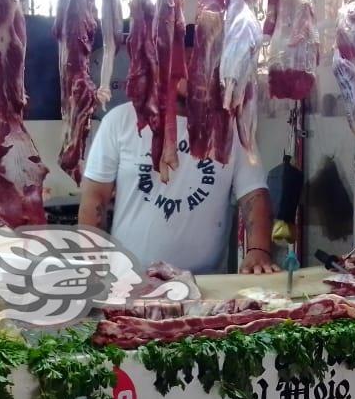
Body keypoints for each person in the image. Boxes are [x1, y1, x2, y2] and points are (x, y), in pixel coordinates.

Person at [79, 80, 280, 275]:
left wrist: (258, 250)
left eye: (200, 61)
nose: (193, 72)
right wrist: (92, 265)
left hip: (205, 287)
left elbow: (254, 193)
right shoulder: (119, 120)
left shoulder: (232, 127)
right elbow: (95, 197)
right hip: (130, 281)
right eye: (180, 60)